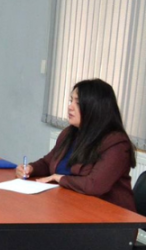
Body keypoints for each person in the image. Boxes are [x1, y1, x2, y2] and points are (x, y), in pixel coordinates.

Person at [16, 78, 136, 211]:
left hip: (109, 215)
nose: (70, 106)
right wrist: (30, 168)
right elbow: (47, 163)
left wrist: (60, 178)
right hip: (71, 206)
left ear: (95, 108)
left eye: (77, 103)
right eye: (70, 100)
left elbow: (94, 185)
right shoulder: (69, 133)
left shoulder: (117, 144)